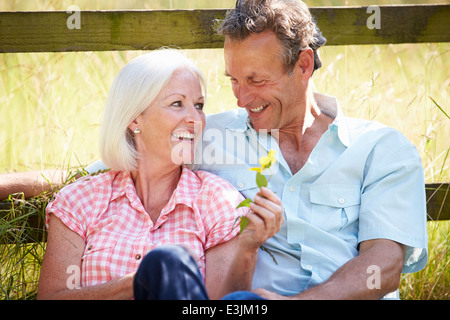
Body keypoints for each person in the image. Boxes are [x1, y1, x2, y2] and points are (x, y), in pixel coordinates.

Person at [3, 0, 427, 300]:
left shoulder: (380, 149)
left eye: (256, 80)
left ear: (302, 65)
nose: (242, 99)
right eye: (232, 81)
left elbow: (384, 265)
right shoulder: (210, 134)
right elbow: (109, 167)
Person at [36, 49, 284, 300]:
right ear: (135, 119)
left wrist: (248, 250)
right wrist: (137, 283)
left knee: (244, 301)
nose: (195, 119)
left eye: (198, 106)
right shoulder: (81, 201)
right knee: (168, 263)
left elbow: (223, 301)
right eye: (177, 103)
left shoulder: (217, 200)